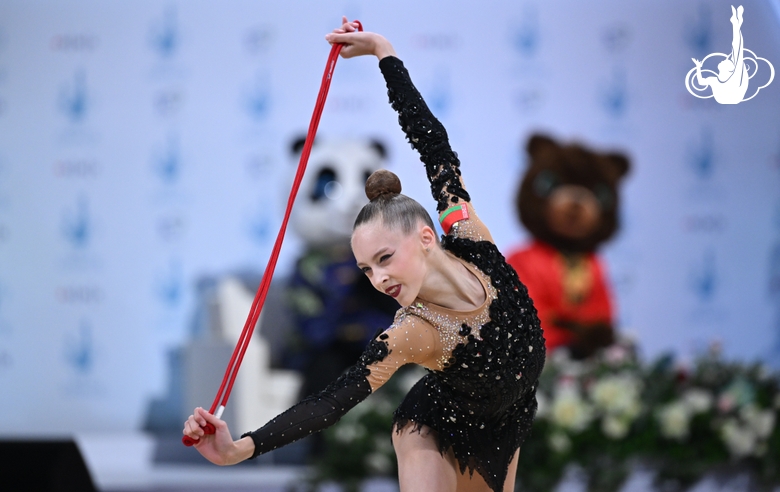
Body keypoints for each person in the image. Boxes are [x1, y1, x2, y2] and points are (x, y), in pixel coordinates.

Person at [184, 18, 545, 492]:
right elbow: (332, 400)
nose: (377, 279)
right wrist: (241, 449)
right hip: (432, 430)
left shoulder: (469, 232)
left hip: (506, 425)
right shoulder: (413, 331)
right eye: (366, 269)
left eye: (385, 258)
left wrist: (384, 54)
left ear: (425, 237)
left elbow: (431, 141)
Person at [692, 5, 748, 104]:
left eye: (726, 61)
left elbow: (737, 48)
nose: (724, 59)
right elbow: (737, 49)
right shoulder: (716, 80)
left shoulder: (732, 79)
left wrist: (736, 25)